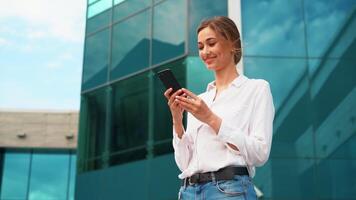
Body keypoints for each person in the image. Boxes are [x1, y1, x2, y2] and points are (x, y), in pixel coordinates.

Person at [164, 16, 274, 200]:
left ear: (232, 43)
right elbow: (184, 164)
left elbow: (260, 153)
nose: (205, 52)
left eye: (211, 43)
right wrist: (177, 120)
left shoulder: (256, 89)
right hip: (188, 192)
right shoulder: (200, 100)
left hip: (229, 190)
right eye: (200, 47)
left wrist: (210, 118)